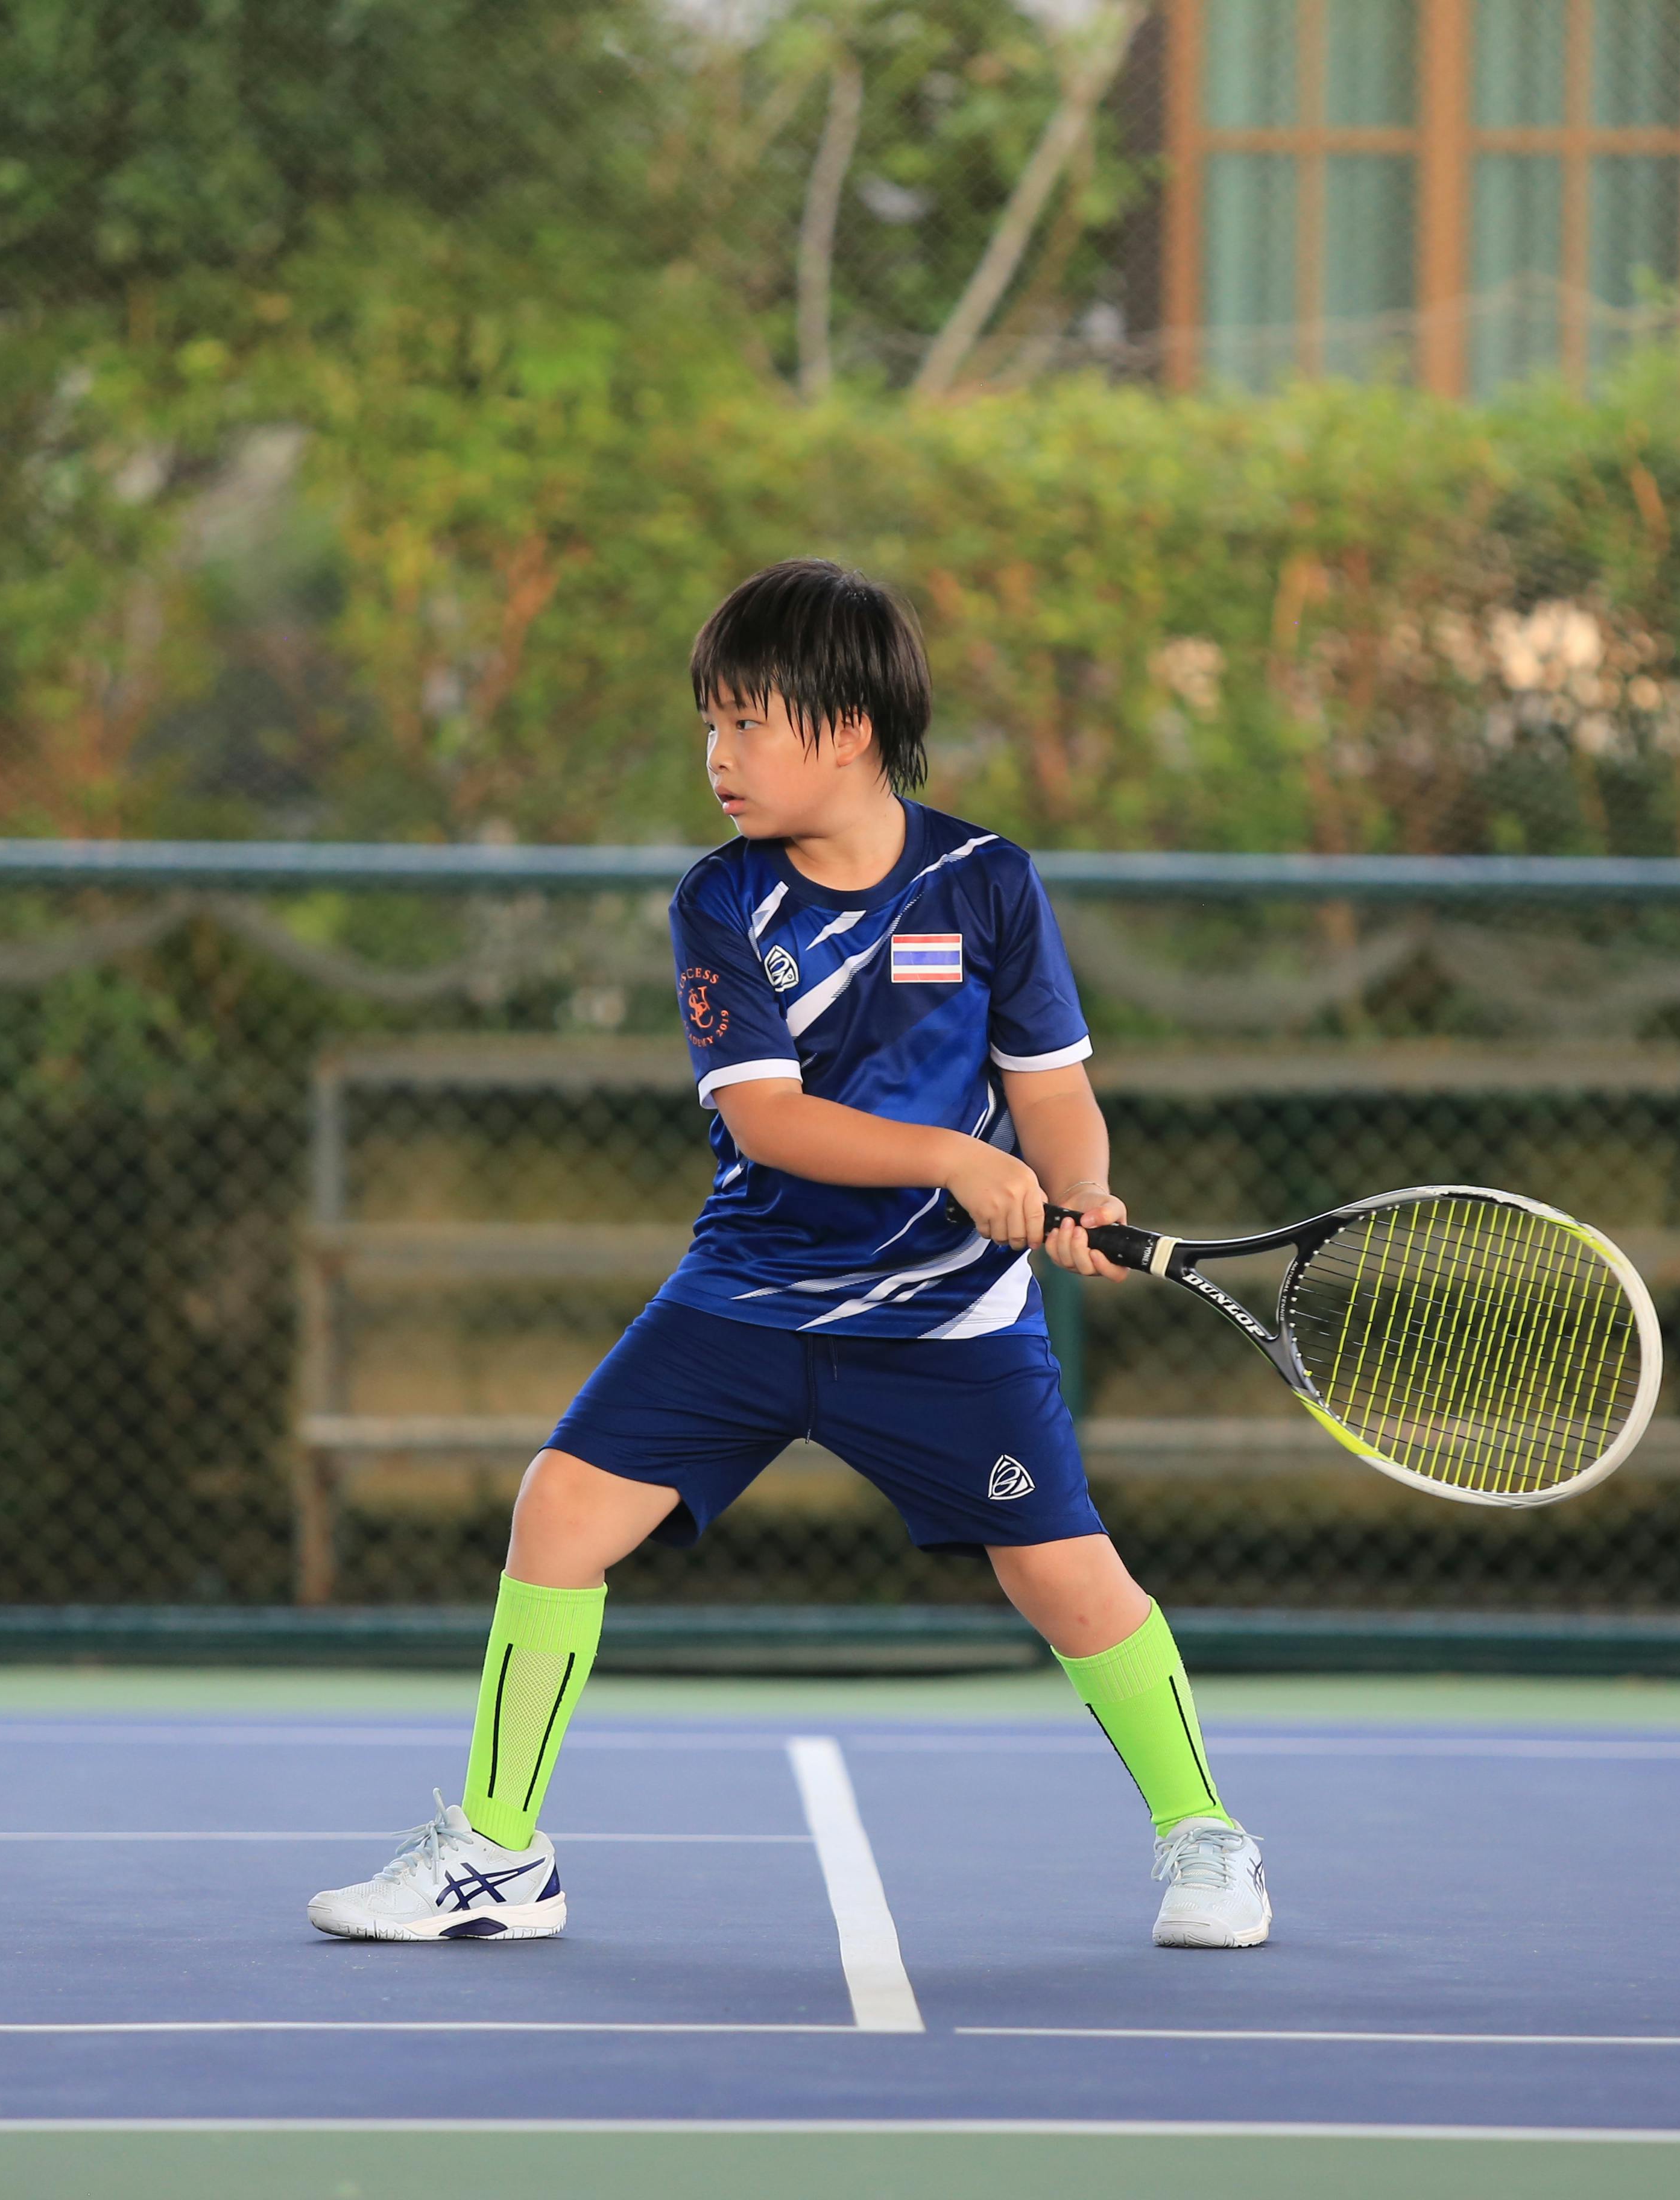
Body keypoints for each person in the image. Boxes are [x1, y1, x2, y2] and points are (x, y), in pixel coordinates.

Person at [308, 558, 1266, 1951]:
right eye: (712, 725)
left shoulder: (987, 884)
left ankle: (1205, 1837)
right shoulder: (721, 903)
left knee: (1064, 1574)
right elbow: (769, 1122)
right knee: (561, 1512)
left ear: (850, 727)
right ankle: (501, 1862)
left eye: (749, 723)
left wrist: (1084, 1194)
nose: (719, 757)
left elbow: (1051, 1084)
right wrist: (954, 1159)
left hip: (946, 1329)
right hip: (745, 1302)